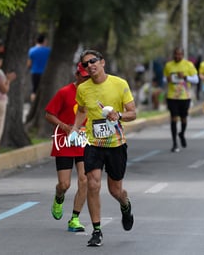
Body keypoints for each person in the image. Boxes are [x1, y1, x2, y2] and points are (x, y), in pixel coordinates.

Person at [70, 49, 136, 247]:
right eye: (86, 64)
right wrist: (74, 129)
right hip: (93, 144)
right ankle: (97, 231)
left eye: (93, 61)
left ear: (102, 62)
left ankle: (125, 206)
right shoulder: (83, 89)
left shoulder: (119, 84)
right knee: (92, 184)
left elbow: (133, 112)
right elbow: (82, 111)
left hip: (116, 144)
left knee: (116, 190)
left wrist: (119, 115)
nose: (90, 65)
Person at [45, 62, 90, 232]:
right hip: (65, 141)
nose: (86, 80)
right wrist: (64, 126)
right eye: (84, 76)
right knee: (64, 184)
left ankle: (75, 219)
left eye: (89, 77)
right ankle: (59, 197)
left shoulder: (93, 93)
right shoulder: (64, 92)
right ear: (77, 75)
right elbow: (49, 114)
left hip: (85, 140)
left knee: (84, 179)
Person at [163, 47, 198, 152]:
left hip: (184, 96)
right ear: (173, 55)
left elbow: (196, 80)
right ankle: (174, 143)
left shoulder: (188, 65)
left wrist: (185, 77)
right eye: (175, 54)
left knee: (183, 119)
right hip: (172, 96)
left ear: (183, 55)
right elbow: (164, 78)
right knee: (173, 118)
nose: (177, 56)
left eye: (179, 54)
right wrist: (167, 79)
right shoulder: (168, 65)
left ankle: (182, 133)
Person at [27, 34, 51, 102]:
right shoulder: (48, 51)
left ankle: (33, 104)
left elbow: (29, 64)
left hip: (35, 73)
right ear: (44, 41)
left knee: (34, 90)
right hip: (45, 73)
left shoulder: (31, 50)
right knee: (45, 90)